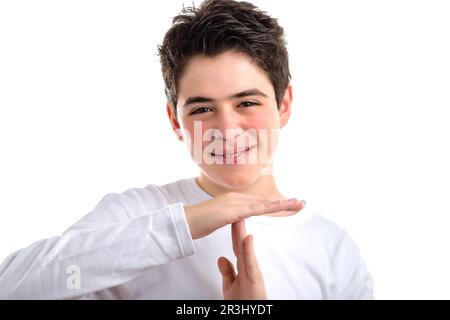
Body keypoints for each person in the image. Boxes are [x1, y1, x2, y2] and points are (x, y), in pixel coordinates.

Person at [0, 0, 373, 299]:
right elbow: (12, 288)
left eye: (246, 103)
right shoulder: (134, 213)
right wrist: (187, 222)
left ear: (284, 105)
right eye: (202, 109)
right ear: (176, 121)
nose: (226, 129)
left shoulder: (333, 249)